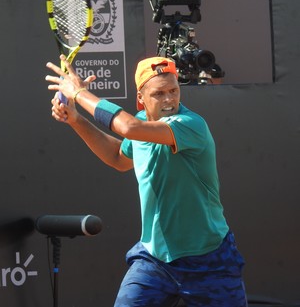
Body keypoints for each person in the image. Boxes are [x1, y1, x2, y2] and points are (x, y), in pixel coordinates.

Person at [45, 54, 248, 307]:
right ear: (140, 98)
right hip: (154, 260)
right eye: (159, 94)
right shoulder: (141, 123)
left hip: (209, 260)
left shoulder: (191, 125)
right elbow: (118, 157)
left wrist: (78, 93)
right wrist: (76, 120)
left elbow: (127, 128)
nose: (169, 100)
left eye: (174, 91)